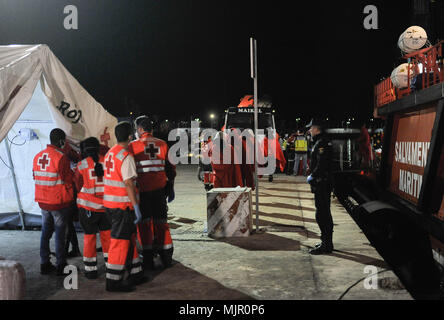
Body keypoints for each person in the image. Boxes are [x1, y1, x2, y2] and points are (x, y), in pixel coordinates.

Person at [128, 118, 176, 271]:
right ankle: (166, 257)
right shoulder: (162, 144)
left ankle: (148, 260)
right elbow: (170, 169)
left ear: (140, 129)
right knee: (162, 223)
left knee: (145, 225)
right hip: (160, 191)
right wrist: (171, 188)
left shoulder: (132, 146)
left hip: (142, 193)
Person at [103, 121, 144, 292]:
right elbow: (128, 184)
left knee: (130, 239)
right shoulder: (126, 156)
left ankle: (135, 273)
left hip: (110, 204)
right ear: (130, 136)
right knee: (119, 243)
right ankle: (113, 281)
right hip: (122, 206)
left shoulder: (110, 153)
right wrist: (136, 207)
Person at [33, 128, 74, 275]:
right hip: (57, 203)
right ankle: (61, 265)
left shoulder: (38, 156)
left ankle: (44, 263)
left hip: (43, 202)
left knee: (45, 232)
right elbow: (67, 180)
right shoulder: (61, 157)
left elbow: (35, 177)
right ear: (61, 141)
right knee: (60, 234)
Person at [74, 137, 111, 279]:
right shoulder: (108, 161)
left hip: (88, 208)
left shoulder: (82, 165)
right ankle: (111, 266)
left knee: (89, 238)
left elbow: (77, 184)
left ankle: (90, 271)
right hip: (106, 207)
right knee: (107, 237)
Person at [306, 119, 334, 255]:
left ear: (316, 128)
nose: (309, 130)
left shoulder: (322, 143)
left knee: (322, 214)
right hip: (321, 183)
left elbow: (322, 164)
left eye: (311, 128)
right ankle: (326, 241)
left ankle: (327, 245)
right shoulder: (320, 141)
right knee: (322, 212)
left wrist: (313, 175)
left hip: (322, 183)